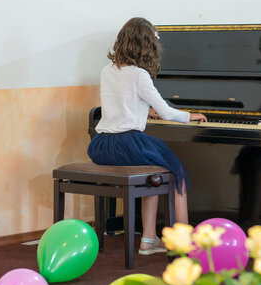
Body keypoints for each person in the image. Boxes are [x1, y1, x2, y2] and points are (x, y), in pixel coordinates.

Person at [87, 17, 207, 255]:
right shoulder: (140, 75)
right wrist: (190, 115)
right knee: (176, 172)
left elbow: (123, 101)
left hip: (101, 145)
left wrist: (144, 109)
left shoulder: (106, 70)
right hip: (127, 143)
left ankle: (148, 240)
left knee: (153, 174)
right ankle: (182, 241)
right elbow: (167, 112)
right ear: (147, 46)